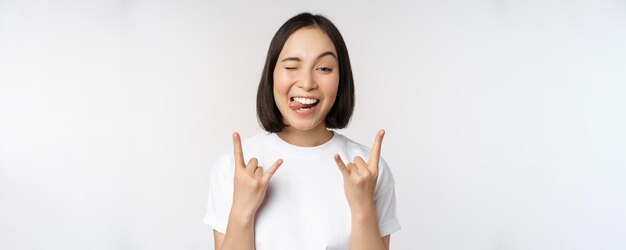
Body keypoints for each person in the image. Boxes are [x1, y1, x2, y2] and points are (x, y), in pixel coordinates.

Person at [203, 12, 400, 250]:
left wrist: (362, 209)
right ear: (272, 75)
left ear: (341, 79)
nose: (307, 82)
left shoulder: (368, 170)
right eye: (292, 66)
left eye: (324, 68)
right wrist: (242, 213)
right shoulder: (233, 167)